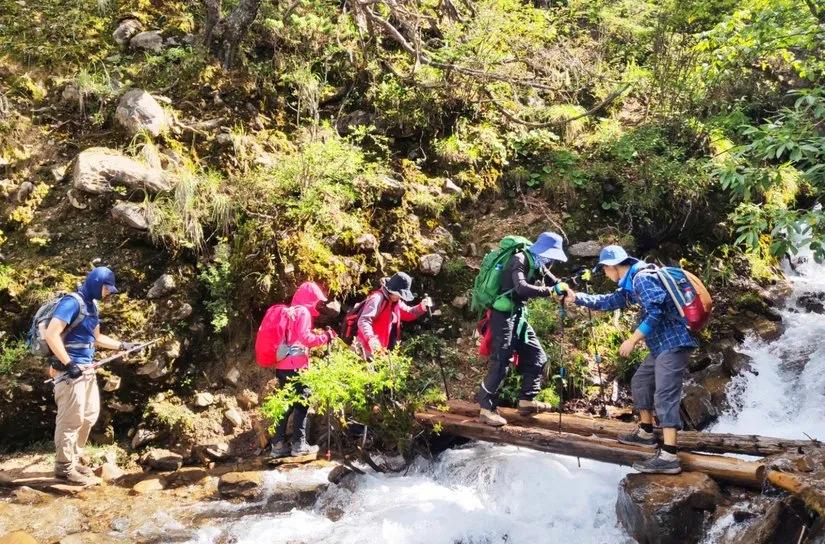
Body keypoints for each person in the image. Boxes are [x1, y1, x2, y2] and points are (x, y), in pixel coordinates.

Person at [562, 245, 697, 474]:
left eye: (604, 269)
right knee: (641, 382)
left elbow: (657, 312)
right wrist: (578, 298)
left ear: (613, 266)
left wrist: (632, 340)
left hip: (674, 343)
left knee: (665, 395)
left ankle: (669, 456)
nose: (605, 273)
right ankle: (646, 432)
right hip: (660, 346)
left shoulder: (642, 278)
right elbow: (609, 301)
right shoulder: (631, 282)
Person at [44, 267, 138, 484]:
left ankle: (74, 459)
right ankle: (63, 468)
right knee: (70, 420)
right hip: (70, 373)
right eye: (107, 289)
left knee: (89, 415)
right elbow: (51, 333)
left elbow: (96, 338)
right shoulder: (72, 303)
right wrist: (68, 363)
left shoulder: (92, 306)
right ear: (96, 283)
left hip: (87, 369)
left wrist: (123, 345)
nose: (108, 293)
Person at [476, 232, 568, 427]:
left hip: (518, 315)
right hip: (503, 316)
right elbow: (521, 288)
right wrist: (550, 292)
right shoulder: (519, 259)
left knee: (537, 355)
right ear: (542, 250)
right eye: (551, 255)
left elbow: (553, 281)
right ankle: (486, 408)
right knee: (502, 360)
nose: (551, 260)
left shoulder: (538, 261)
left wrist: (566, 286)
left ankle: (527, 401)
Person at [269, 282, 337, 458]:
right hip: (296, 366)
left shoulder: (290, 312)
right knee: (302, 401)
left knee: (286, 403)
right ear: (310, 299)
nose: (318, 304)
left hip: (282, 364)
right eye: (316, 300)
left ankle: (277, 444)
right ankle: (299, 444)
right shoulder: (303, 313)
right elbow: (305, 339)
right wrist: (326, 336)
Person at [354, 272, 431, 359]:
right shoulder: (377, 298)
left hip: (380, 350)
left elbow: (408, 312)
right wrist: (371, 338)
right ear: (392, 290)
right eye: (399, 294)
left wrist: (422, 306)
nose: (400, 297)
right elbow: (364, 320)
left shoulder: (395, 301)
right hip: (365, 348)